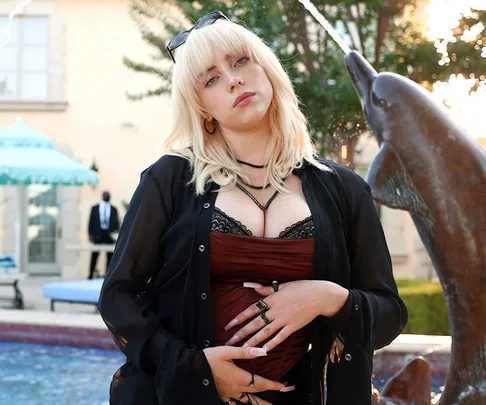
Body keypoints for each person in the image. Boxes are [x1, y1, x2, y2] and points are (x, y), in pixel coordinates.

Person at [98, 10, 407, 405]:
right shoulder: (171, 180)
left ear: (267, 67)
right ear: (203, 107)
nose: (233, 80)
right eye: (211, 79)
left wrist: (326, 297)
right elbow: (119, 297)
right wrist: (199, 371)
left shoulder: (344, 190)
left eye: (240, 61)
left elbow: (389, 315)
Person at [88, 191, 120, 279]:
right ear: (102, 196)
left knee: (110, 256)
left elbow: (116, 223)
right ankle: (90, 274)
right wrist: (90, 235)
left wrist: (116, 235)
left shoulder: (113, 209)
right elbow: (91, 222)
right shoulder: (95, 208)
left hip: (109, 235)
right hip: (98, 234)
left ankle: (108, 275)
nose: (107, 196)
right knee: (95, 255)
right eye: (105, 195)